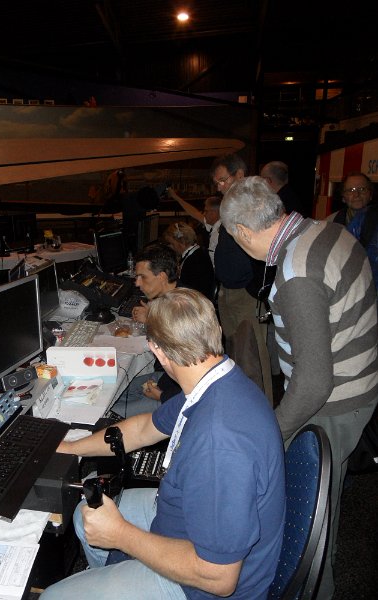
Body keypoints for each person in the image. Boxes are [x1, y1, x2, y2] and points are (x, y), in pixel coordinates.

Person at [41, 288, 286, 600]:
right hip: (188, 519)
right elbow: (144, 428)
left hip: (203, 585)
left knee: (52, 597)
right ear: (216, 330)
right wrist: (70, 448)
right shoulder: (214, 382)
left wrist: (121, 535)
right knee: (83, 514)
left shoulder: (220, 443)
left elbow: (219, 578)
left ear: (157, 351)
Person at [220, 176, 378, 600]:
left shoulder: (297, 271)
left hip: (335, 401)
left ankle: (314, 590)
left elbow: (312, 385)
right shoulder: (325, 229)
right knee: (325, 498)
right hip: (358, 381)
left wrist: (272, 432)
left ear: (243, 232)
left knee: (308, 517)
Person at [210, 153, 273, 403]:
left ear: (239, 175)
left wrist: (253, 289)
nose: (219, 187)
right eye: (216, 183)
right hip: (228, 291)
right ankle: (242, 407)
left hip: (246, 295)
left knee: (253, 358)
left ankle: (263, 413)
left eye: (223, 180)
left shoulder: (254, 203)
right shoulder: (232, 206)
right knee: (236, 357)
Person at [111, 243, 181, 417]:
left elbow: (196, 375)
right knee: (113, 394)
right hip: (167, 379)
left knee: (110, 414)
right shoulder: (171, 299)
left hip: (177, 397)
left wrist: (162, 396)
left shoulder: (183, 310)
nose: (137, 283)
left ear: (162, 276)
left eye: (143, 277)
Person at [166, 188, 222, 267]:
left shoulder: (220, 232)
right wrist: (176, 197)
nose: (204, 214)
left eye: (206, 211)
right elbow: (194, 212)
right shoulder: (214, 224)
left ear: (214, 213)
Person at [162, 222, 214, 299]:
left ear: (181, 242)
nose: (171, 247)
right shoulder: (197, 253)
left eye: (171, 243)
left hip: (196, 300)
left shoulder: (195, 260)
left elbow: (189, 289)